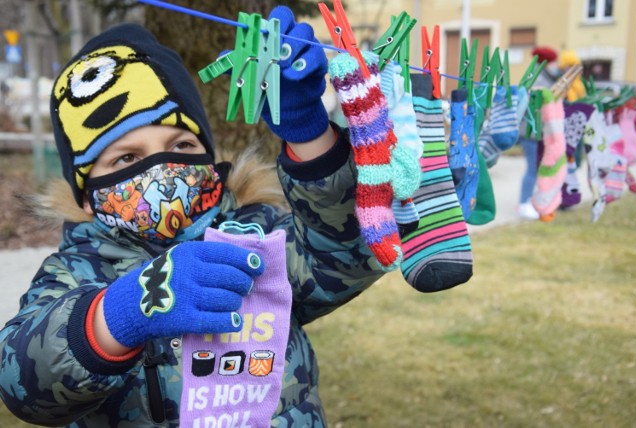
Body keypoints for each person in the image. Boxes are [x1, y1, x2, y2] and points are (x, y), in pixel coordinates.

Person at [0, 7, 385, 427]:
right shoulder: (77, 269)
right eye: (127, 157)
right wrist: (124, 312)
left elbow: (344, 254)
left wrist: (309, 134)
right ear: (87, 196)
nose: (163, 170)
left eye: (181, 146)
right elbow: (22, 380)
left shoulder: (257, 234)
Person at [517, 46, 559, 219]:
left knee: (537, 168)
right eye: (554, 62)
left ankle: (532, 200)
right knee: (532, 168)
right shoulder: (537, 80)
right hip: (531, 132)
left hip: (539, 132)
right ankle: (524, 203)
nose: (557, 65)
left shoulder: (544, 77)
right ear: (546, 62)